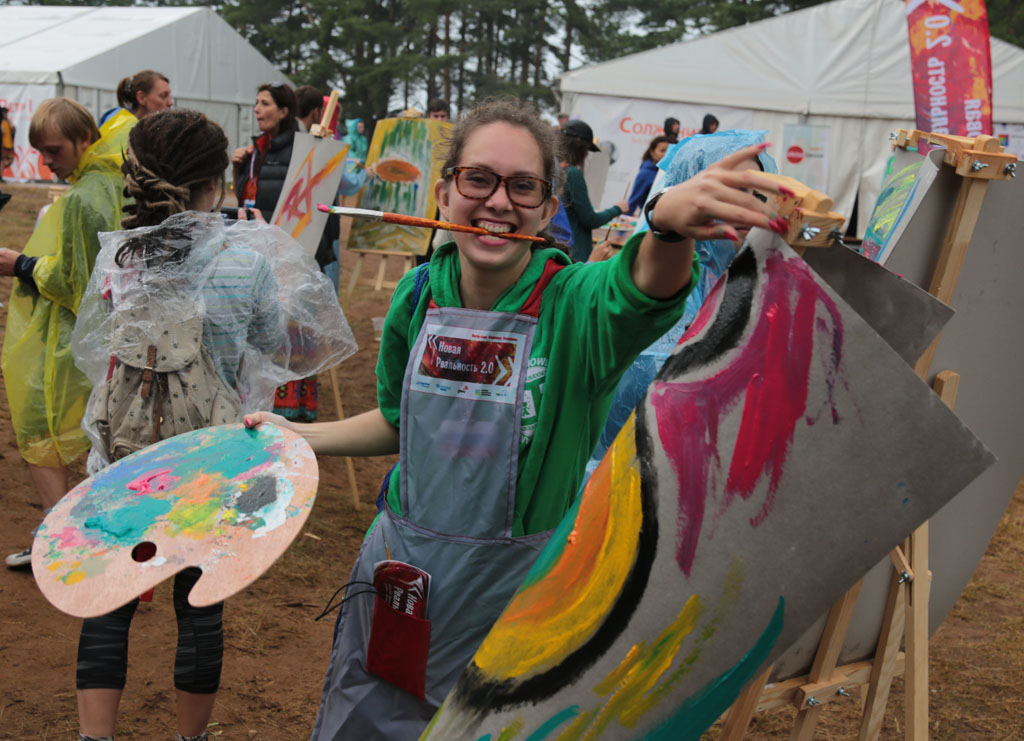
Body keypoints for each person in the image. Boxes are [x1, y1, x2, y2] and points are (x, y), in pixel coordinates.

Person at [244, 97, 782, 740]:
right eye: (478, 179)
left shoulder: (575, 305)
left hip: (515, 598)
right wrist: (299, 436)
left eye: (523, 186)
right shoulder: (417, 296)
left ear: (549, 208)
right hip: (400, 574)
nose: (498, 201)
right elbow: (399, 421)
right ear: (444, 193)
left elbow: (642, 285)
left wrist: (665, 228)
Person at [70, 108, 355, 741]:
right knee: (199, 608)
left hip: (127, 458)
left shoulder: (119, 260)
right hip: (210, 465)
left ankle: (94, 736)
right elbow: (274, 345)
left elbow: (100, 349)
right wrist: (267, 259)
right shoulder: (244, 263)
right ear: (212, 187)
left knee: (107, 603)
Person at [583, 129, 779, 485]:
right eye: (731, 190)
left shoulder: (741, 277)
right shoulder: (651, 290)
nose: (746, 206)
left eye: (757, 193)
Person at [0, 98, 125, 568]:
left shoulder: (84, 198)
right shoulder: (113, 179)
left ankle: (60, 540)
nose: (47, 162)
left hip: (74, 337)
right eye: (41, 152)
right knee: (101, 432)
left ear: (84, 139)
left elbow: (78, 283)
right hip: (112, 335)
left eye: (54, 150)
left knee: (38, 425)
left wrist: (22, 264)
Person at [561, 119, 628, 262]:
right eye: (586, 150)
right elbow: (590, 219)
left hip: (561, 247)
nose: (586, 155)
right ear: (579, 147)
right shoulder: (572, 174)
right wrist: (618, 208)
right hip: (575, 251)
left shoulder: (554, 169)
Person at [97, 70, 173, 150]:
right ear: (141, 98)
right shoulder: (122, 133)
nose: (170, 102)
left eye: (169, 95)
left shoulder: (153, 129)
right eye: (163, 96)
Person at [627, 134, 671, 215]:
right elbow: (634, 200)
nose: (665, 154)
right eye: (662, 150)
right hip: (647, 218)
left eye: (668, 151)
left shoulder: (670, 173)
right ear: (652, 152)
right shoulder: (645, 174)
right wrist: (624, 219)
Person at [1, 105, 14, 179]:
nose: (6, 114)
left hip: (9, 145)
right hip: (3, 145)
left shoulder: (7, 122)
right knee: (3, 161)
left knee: (10, 160)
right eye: (4, 113)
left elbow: (12, 131)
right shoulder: (2, 122)